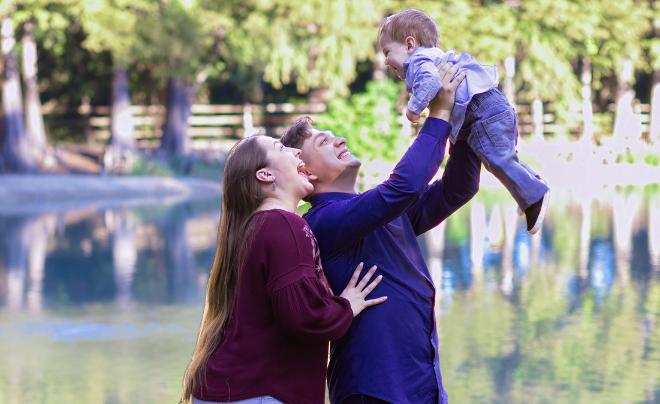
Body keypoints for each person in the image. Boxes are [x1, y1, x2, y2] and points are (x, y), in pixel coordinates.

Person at [280, 63, 473, 404]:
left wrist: (463, 123)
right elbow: (405, 185)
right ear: (305, 172)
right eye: (324, 142)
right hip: (371, 390)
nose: (340, 138)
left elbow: (458, 188)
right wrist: (439, 113)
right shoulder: (322, 222)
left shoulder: (379, 212)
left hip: (421, 386)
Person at [180, 135, 387, 404]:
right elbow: (304, 317)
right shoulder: (285, 224)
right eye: (281, 148)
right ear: (265, 174)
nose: (295, 152)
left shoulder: (252, 228)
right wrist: (346, 306)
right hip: (259, 395)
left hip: (227, 391)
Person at [379, 8, 550, 235]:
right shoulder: (427, 58)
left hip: (483, 111)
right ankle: (529, 185)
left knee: (496, 158)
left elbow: (430, 83)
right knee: (494, 157)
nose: (384, 61)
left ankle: (535, 195)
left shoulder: (420, 60)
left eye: (387, 52)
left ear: (410, 44)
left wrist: (413, 109)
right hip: (477, 115)